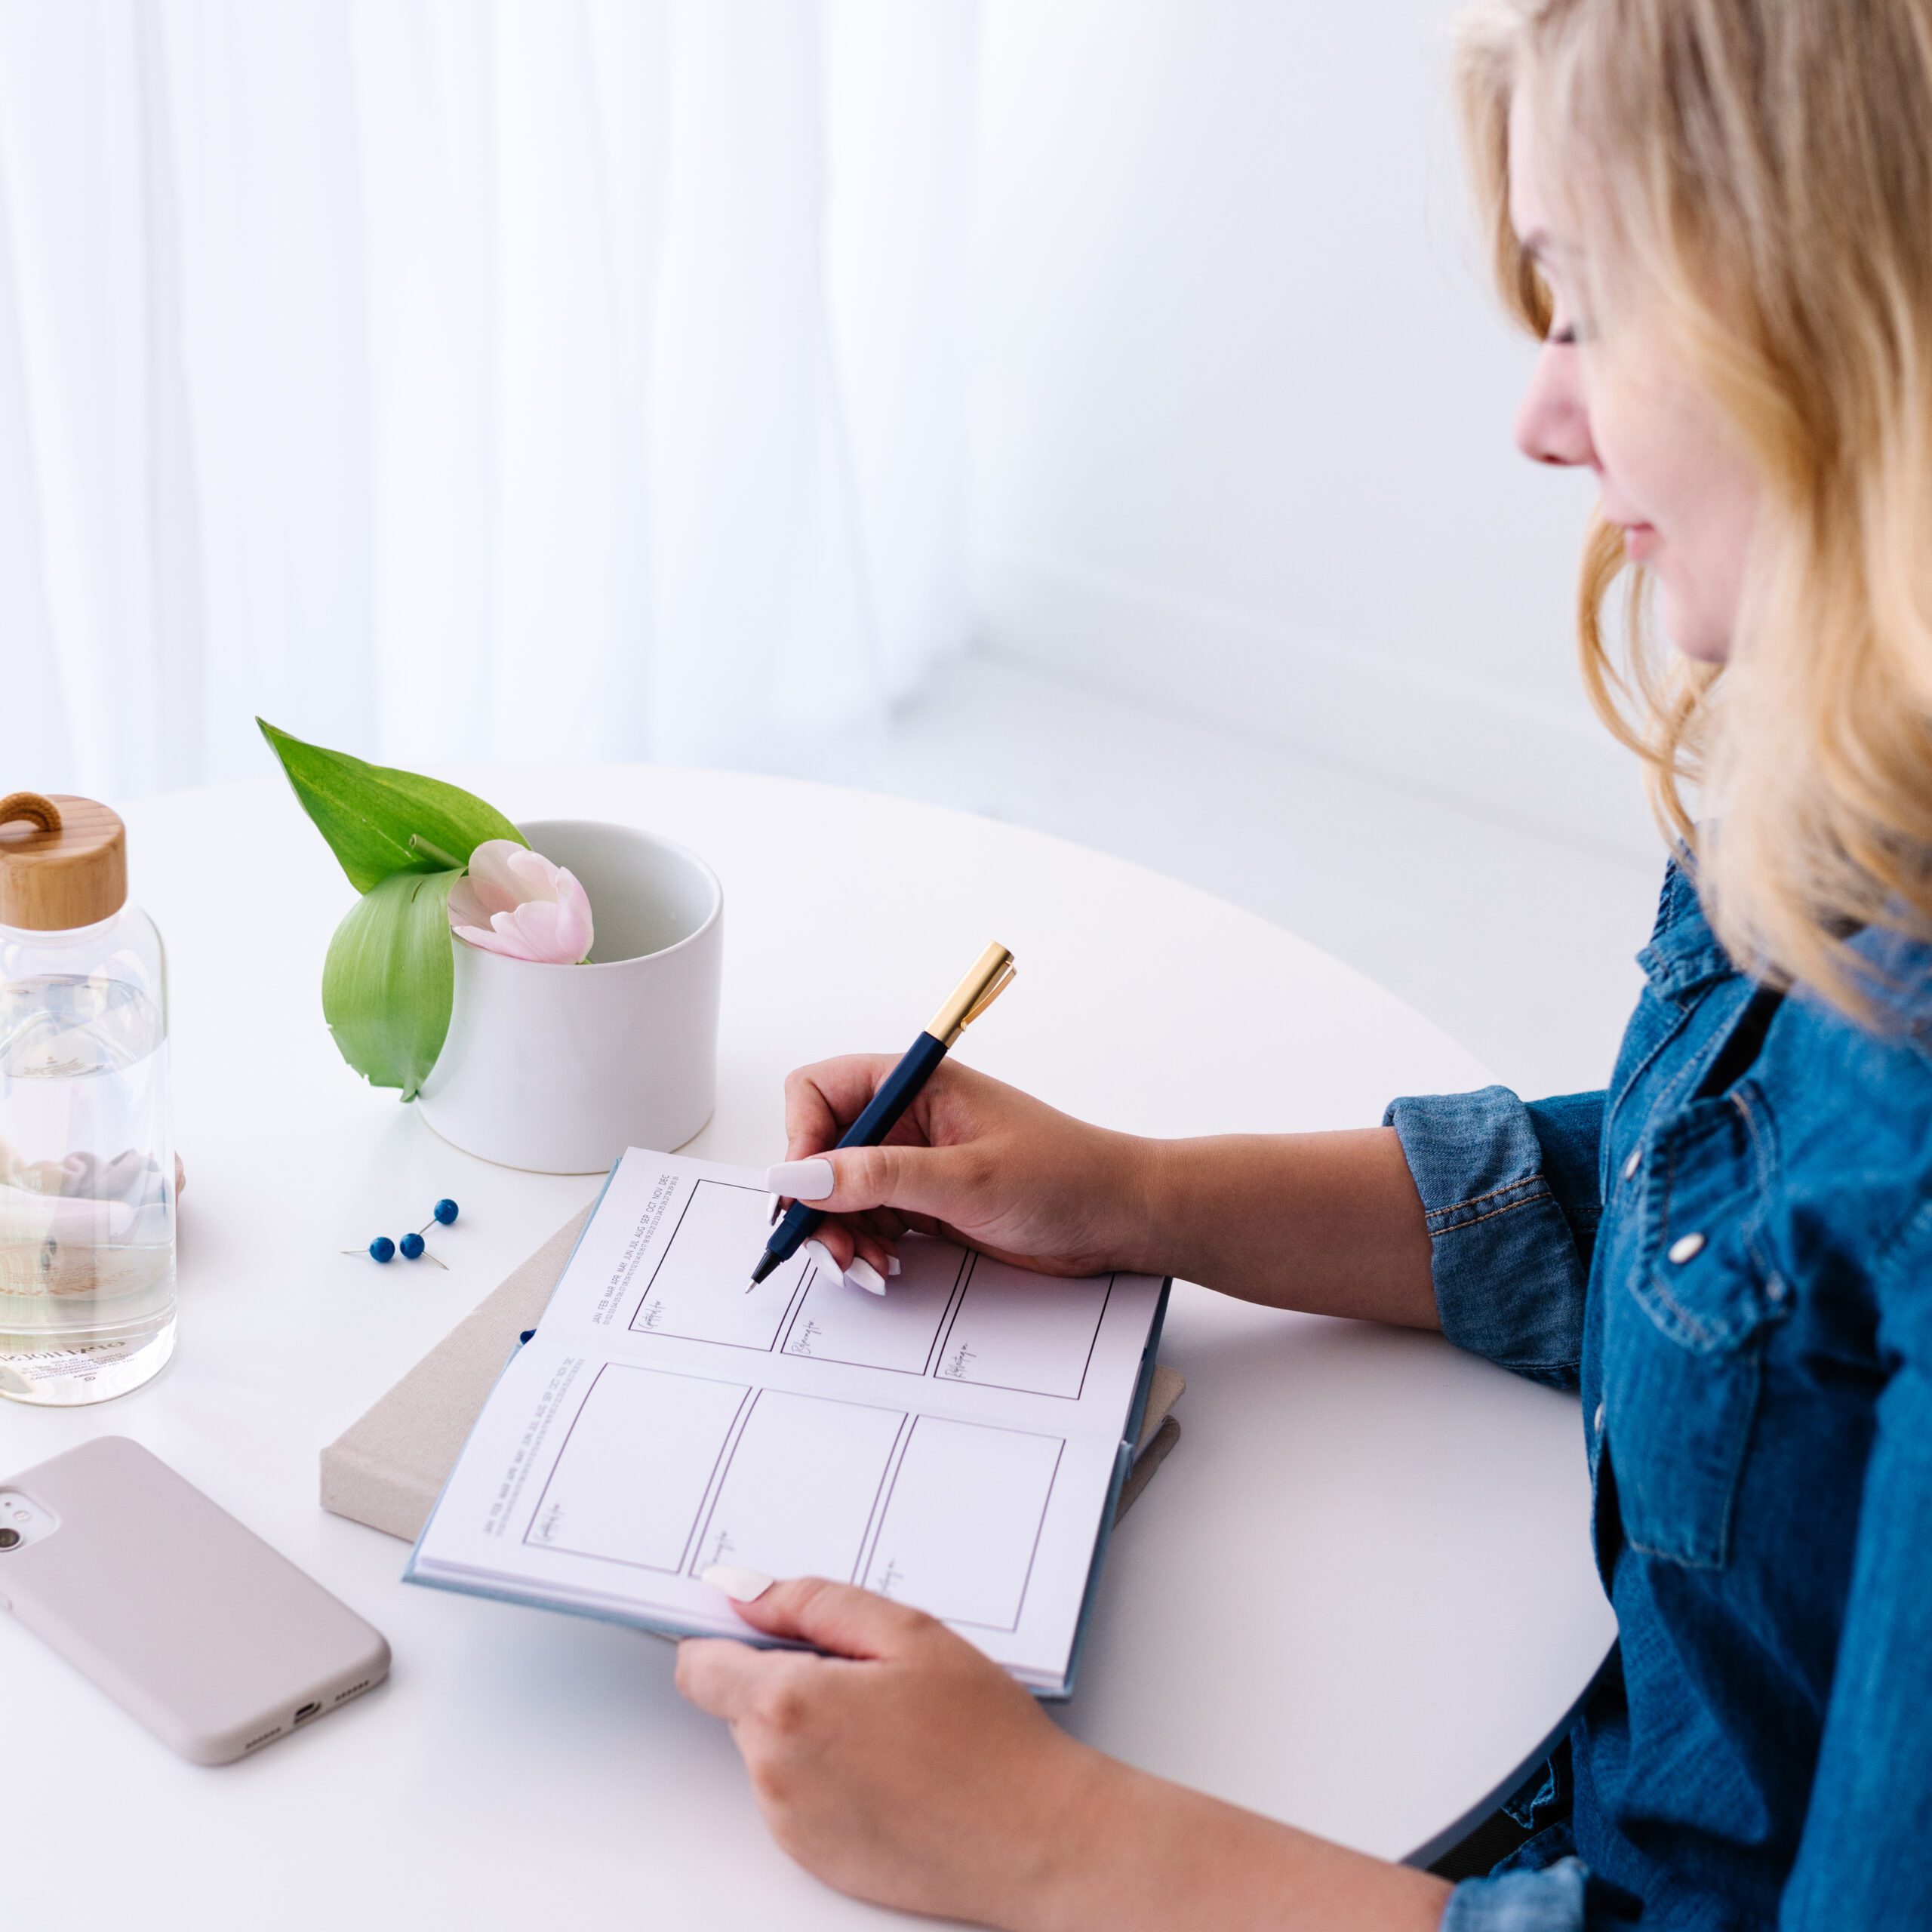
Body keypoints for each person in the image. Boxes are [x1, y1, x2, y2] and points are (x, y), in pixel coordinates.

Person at [674, 0, 1932, 1924]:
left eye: (1591, 310)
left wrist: (1051, 1839)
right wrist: (1132, 1194)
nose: (1539, 417)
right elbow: (1706, 1236)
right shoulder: (1847, 764)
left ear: (1840, 319)